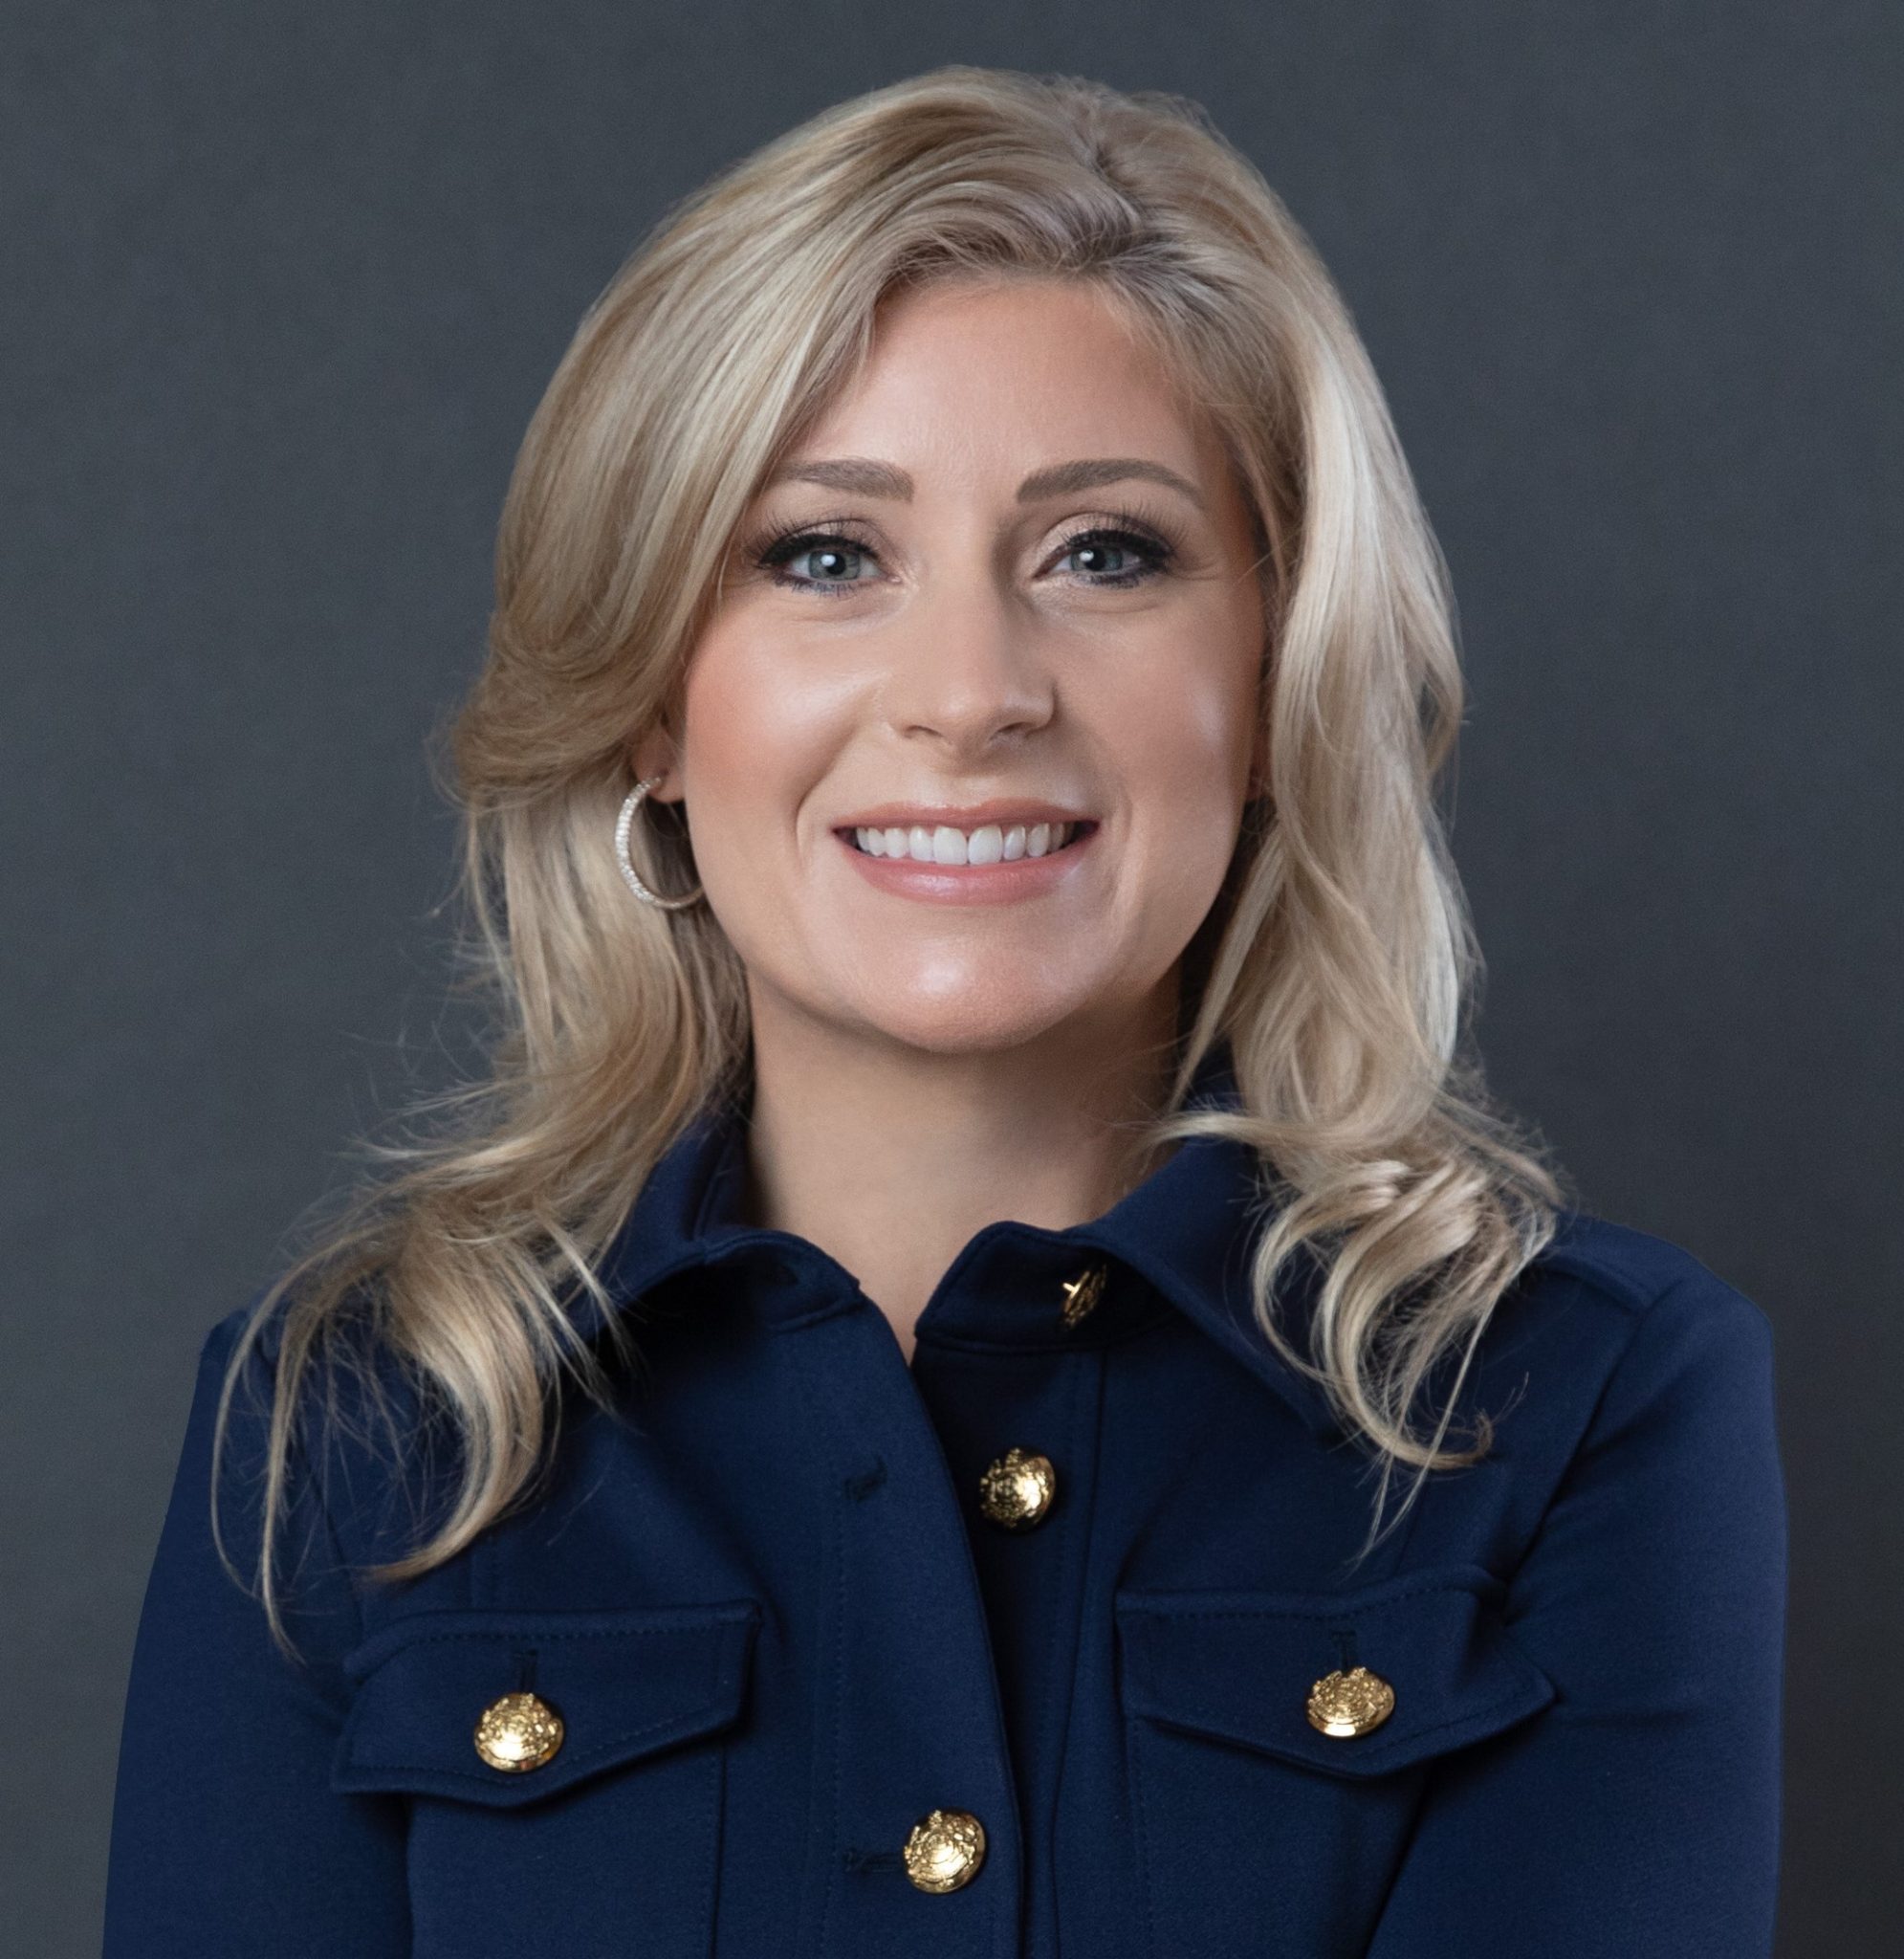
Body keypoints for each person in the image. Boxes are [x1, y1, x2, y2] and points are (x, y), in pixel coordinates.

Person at [102, 65, 1786, 1959]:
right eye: (824, 557)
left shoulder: (1576, 1403)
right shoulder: (342, 1429)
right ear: (652, 703)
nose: (972, 691)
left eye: (1105, 553)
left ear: (1275, 681)